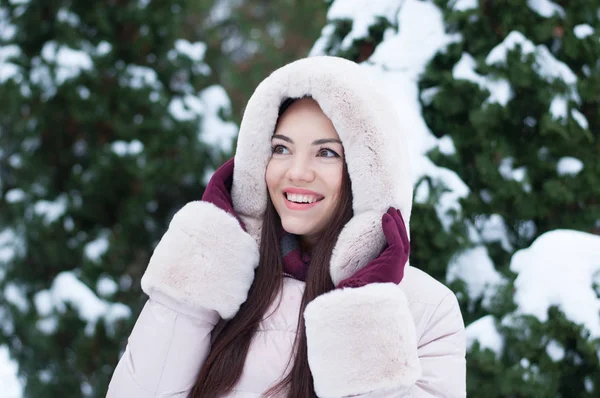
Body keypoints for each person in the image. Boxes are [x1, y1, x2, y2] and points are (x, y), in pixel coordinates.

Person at [106, 56, 466, 398]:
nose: (296, 172)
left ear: (368, 171)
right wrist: (197, 278)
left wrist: (363, 310)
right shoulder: (226, 278)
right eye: (280, 149)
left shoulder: (426, 308)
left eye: (326, 153)